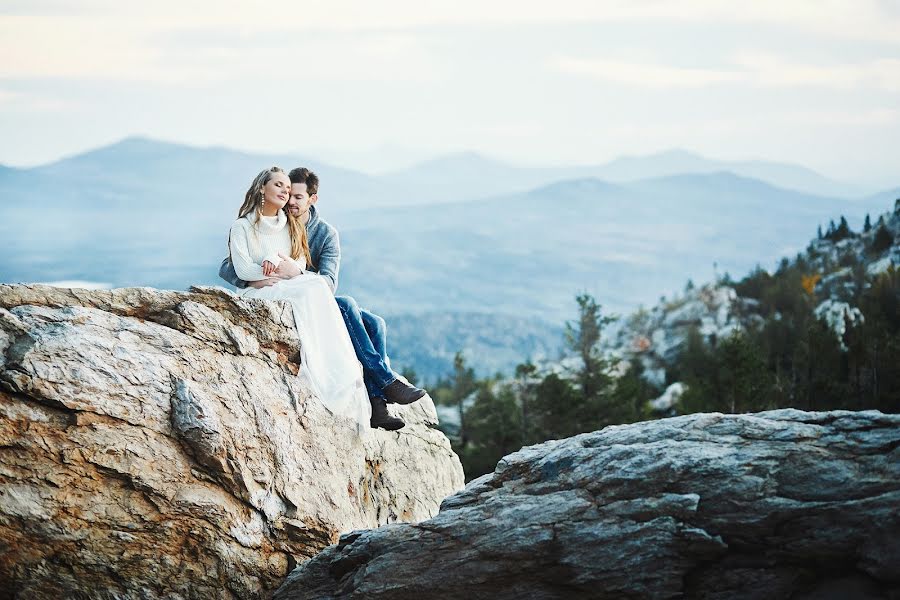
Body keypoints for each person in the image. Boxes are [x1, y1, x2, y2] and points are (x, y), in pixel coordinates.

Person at [220, 167, 426, 430]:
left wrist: (298, 272)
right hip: (295, 293)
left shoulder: (325, 234)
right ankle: (385, 386)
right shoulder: (272, 220)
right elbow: (229, 265)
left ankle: (377, 403)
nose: (289, 201)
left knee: (376, 324)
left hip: (316, 293)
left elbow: (328, 282)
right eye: (287, 194)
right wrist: (256, 279)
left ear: (312, 200)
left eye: (297, 197)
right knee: (349, 305)